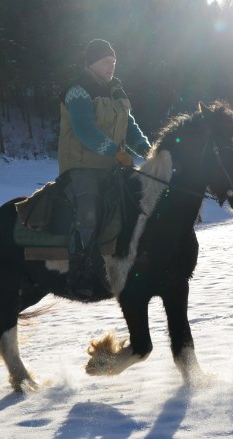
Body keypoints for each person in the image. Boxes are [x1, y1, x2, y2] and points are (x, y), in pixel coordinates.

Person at [57, 39, 151, 298]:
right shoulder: (78, 90)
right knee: (88, 211)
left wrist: (146, 149)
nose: (112, 66)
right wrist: (116, 152)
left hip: (112, 163)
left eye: (114, 62)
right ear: (92, 63)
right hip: (82, 165)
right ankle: (80, 272)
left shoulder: (116, 89)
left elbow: (129, 125)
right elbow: (85, 130)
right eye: (106, 61)